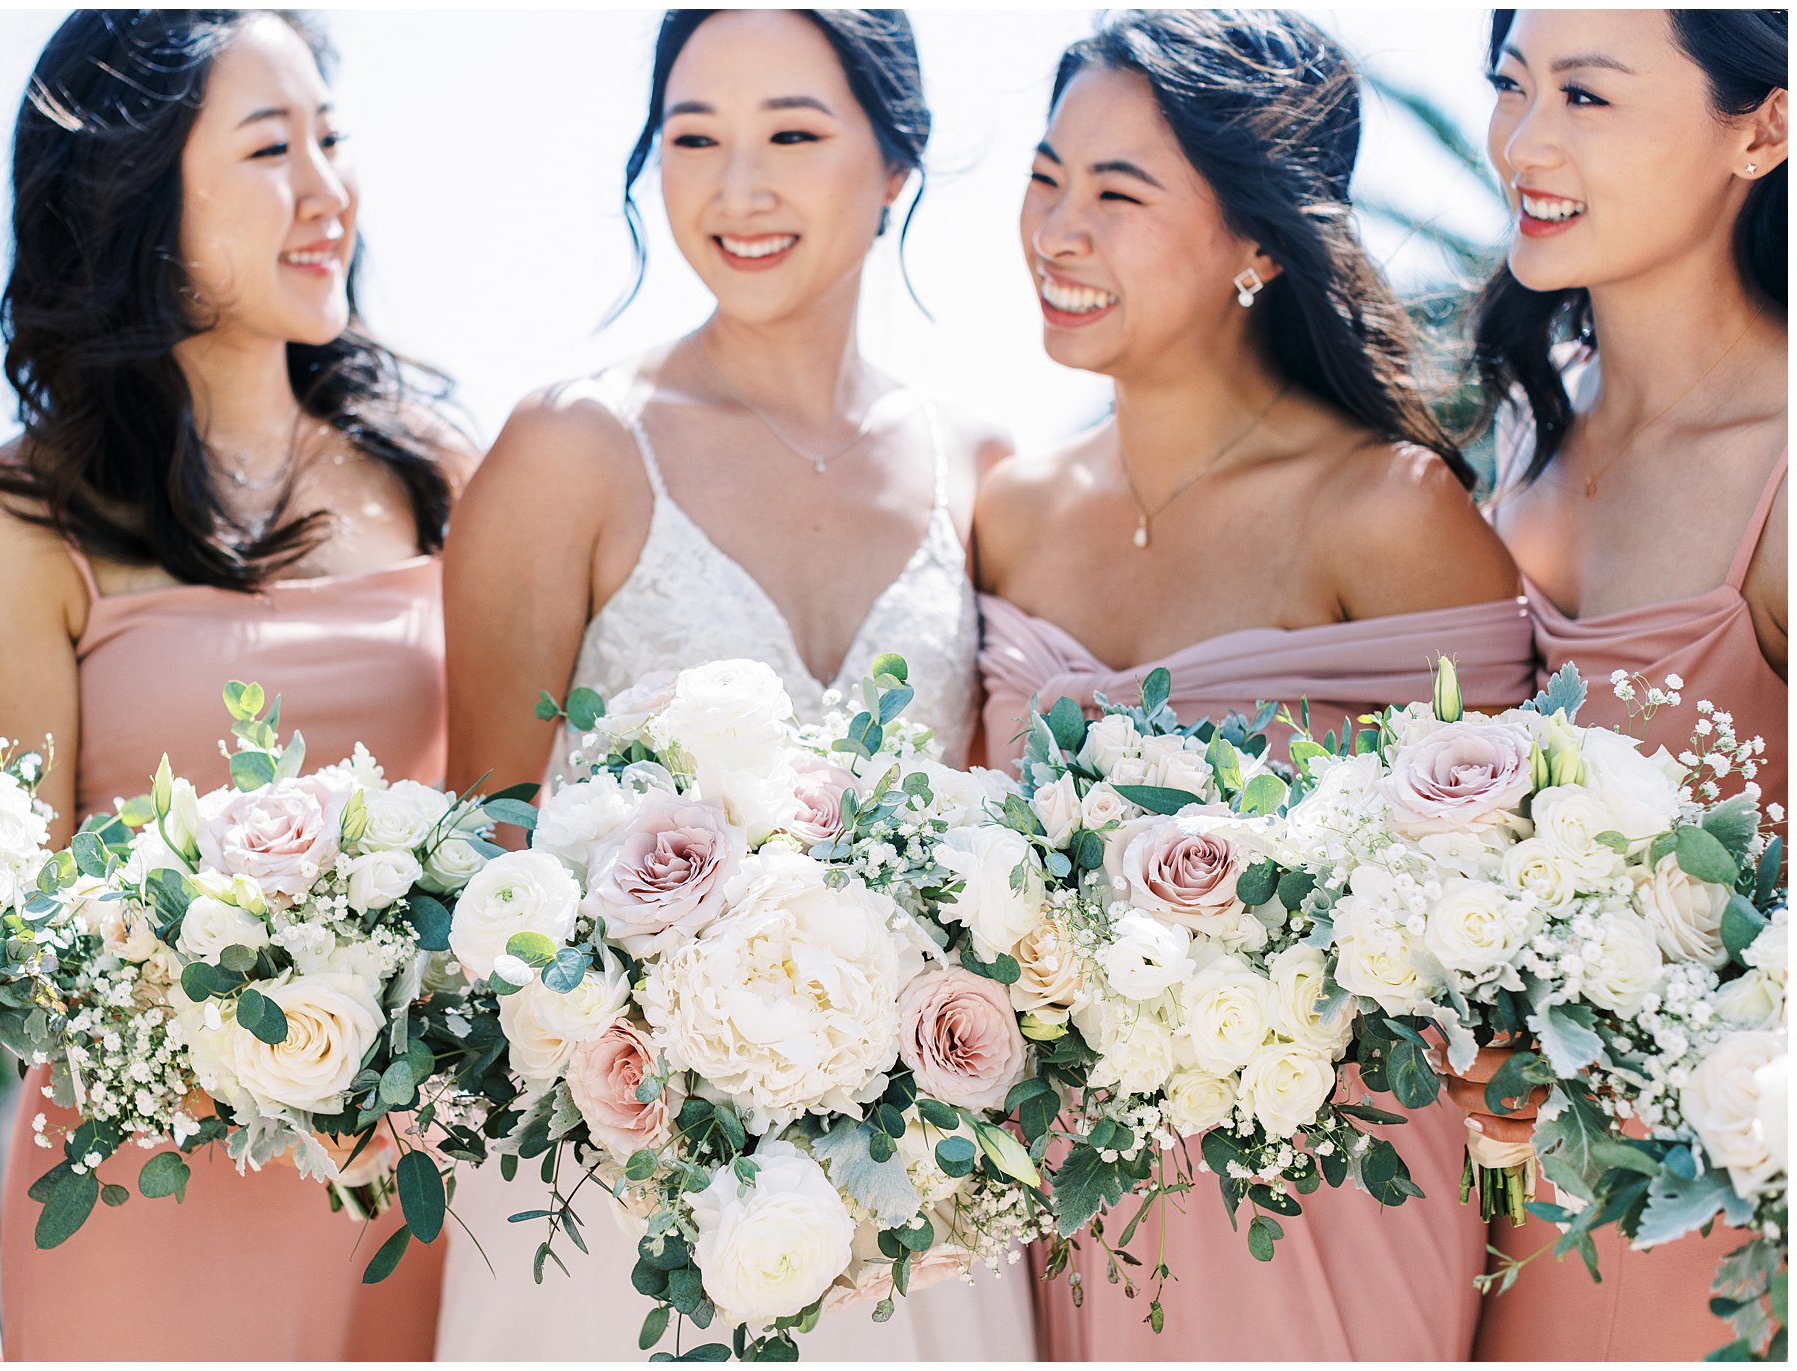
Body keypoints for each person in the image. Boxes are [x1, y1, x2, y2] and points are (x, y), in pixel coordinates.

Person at [436, 9, 1034, 1358]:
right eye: (694, 136)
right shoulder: (572, 447)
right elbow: (484, 854)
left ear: (896, 164)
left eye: (793, 134)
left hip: (913, 1205)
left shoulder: (984, 467)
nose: (737, 186)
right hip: (616, 1193)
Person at [974, 11, 1534, 1360]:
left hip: (1325, 1203)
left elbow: (1501, 913)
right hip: (1059, 1196)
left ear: (1262, 242)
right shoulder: (1010, 514)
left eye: (1120, 192)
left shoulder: (1387, 514)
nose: (1058, 229)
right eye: (1048, 176)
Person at [0, 10, 469, 1358]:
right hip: (146, 1174)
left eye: (331, 141)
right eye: (273, 149)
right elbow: (12, 934)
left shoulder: (432, 470)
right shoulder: (13, 521)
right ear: (136, 191)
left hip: (417, 1162)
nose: (329, 191)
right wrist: (233, 1000)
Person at [1448, 10, 1787, 1360]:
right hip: (1493, 1197)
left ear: (1763, 128)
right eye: (1512, 84)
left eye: (1587, 95)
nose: (1526, 143)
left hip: (1705, 1227)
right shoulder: (1528, 428)